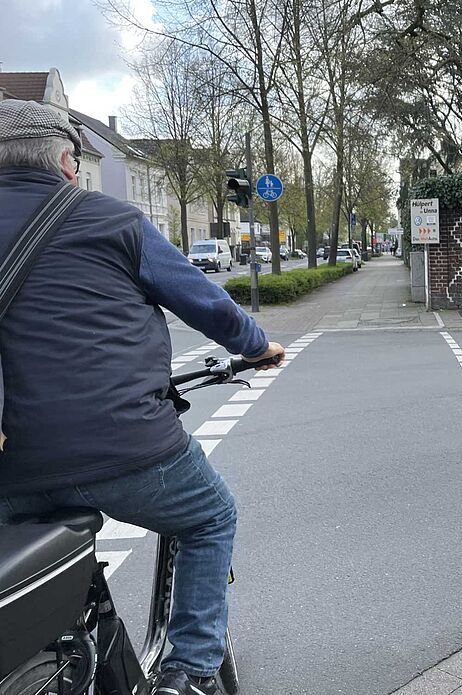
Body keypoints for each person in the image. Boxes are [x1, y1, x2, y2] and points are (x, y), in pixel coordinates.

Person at [0, 100, 284, 695]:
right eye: (76, 161)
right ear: (63, 161)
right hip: (124, 443)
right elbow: (204, 302)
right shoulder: (113, 219)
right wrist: (257, 345)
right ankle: (190, 672)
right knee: (210, 516)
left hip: (11, 465)